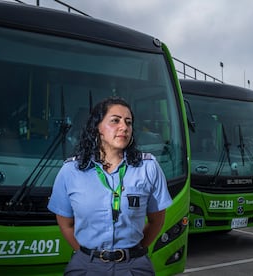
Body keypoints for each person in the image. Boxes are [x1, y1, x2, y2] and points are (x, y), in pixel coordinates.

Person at [47, 97, 172, 275]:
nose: (124, 127)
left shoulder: (148, 168)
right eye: (115, 121)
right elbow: (66, 224)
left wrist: (131, 254)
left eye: (128, 122)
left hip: (133, 266)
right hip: (86, 266)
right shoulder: (71, 171)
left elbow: (156, 221)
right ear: (97, 127)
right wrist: (90, 256)